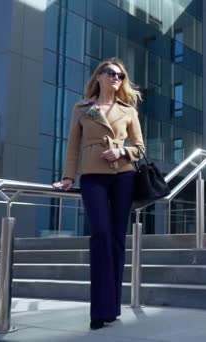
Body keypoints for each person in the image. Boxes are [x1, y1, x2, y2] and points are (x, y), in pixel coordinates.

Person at [52, 57, 144, 330]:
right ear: (99, 77)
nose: (116, 78)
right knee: (100, 235)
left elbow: (140, 147)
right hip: (92, 176)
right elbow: (72, 146)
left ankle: (112, 307)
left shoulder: (128, 110)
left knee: (116, 239)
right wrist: (69, 176)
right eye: (111, 73)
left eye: (120, 76)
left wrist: (122, 150)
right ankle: (99, 309)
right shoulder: (83, 108)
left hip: (123, 176)